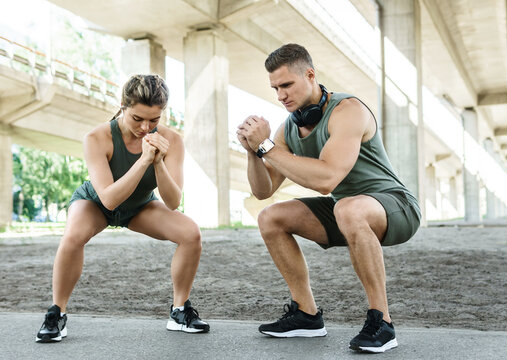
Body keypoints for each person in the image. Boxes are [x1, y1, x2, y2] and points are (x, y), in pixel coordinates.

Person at [236, 44, 421, 353]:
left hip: (395, 207)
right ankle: (306, 316)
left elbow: (326, 179)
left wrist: (267, 146)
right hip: (346, 212)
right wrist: (253, 152)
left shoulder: (348, 110)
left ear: (310, 75)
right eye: (275, 88)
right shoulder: (289, 128)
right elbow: (263, 190)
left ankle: (382, 323)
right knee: (270, 217)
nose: (280, 95)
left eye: (286, 85)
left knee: (348, 207)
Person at [36, 74, 209, 343]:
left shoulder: (171, 140)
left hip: (140, 205)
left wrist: (159, 162)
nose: (145, 127)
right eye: (137, 118)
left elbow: (174, 202)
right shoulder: (97, 137)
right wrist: (143, 161)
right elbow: (108, 200)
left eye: (154, 120)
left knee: (191, 233)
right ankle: (57, 313)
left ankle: (179, 310)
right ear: (123, 106)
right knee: (73, 235)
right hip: (96, 202)